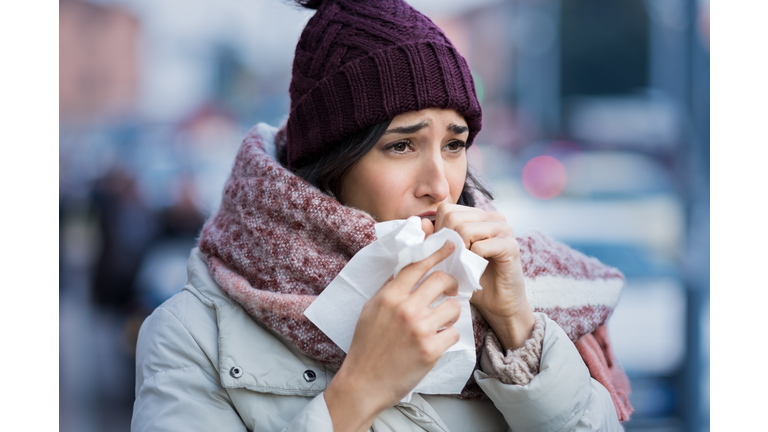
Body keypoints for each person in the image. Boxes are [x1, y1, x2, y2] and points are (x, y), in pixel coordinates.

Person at [131, 1, 631, 431]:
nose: (440, 185)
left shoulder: (509, 285)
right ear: (331, 163)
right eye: (401, 145)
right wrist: (358, 392)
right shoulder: (193, 335)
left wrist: (516, 326)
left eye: (454, 144)